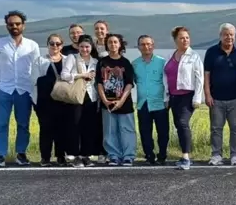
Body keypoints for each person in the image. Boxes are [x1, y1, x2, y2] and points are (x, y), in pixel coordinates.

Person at [0, 10, 40, 167]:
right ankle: (0, 156)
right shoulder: (0, 43)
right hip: (4, 89)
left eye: (17, 24)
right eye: (11, 24)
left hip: (24, 90)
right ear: (7, 26)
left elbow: (37, 67)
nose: (14, 26)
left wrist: (34, 87)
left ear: (23, 25)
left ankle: (21, 154)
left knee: (23, 124)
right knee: (1, 124)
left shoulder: (32, 45)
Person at [204, 23, 236, 166]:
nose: (229, 37)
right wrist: (207, 95)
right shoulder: (211, 52)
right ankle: (216, 155)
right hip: (216, 99)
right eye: (226, 34)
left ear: (235, 36)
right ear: (220, 36)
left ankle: (235, 155)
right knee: (216, 129)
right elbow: (207, 75)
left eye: (231, 34)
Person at [164, 26, 204, 170]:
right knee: (178, 125)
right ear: (175, 40)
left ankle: (186, 157)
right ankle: (183, 155)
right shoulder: (169, 56)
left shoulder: (194, 56)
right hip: (173, 97)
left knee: (182, 123)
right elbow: (165, 77)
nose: (185, 40)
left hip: (188, 96)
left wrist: (197, 98)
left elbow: (199, 78)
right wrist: (166, 97)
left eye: (187, 37)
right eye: (181, 38)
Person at [60, 34, 101, 167]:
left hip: (91, 96)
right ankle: (75, 155)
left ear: (91, 47)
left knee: (89, 127)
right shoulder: (72, 58)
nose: (84, 49)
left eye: (87, 47)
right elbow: (64, 75)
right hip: (76, 95)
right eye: (82, 46)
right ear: (78, 47)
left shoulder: (95, 61)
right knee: (75, 125)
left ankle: (86, 155)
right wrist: (82, 75)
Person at [97, 33, 136, 166]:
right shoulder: (102, 62)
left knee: (127, 130)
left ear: (120, 45)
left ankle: (128, 156)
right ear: (106, 45)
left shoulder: (126, 63)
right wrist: (105, 100)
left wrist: (121, 101)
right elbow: (99, 83)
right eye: (110, 42)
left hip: (124, 103)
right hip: (107, 103)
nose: (113, 45)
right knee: (109, 130)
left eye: (115, 42)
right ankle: (113, 155)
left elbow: (129, 83)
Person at [31, 34, 68, 167]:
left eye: (57, 44)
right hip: (44, 102)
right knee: (46, 129)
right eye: (52, 43)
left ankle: (60, 156)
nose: (55, 46)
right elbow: (35, 80)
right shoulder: (39, 60)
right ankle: (45, 157)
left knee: (62, 130)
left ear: (61, 46)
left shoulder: (68, 60)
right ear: (47, 45)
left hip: (63, 101)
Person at [132, 35, 169, 165]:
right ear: (138, 47)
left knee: (163, 132)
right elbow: (134, 81)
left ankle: (162, 156)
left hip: (160, 102)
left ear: (153, 45)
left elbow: (167, 82)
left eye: (148, 44)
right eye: (142, 44)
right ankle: (149, 155)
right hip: (143, 103)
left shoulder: (162, 62)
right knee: (145, 132)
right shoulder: (135, 64)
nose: (146, 46)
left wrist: (168, 99)